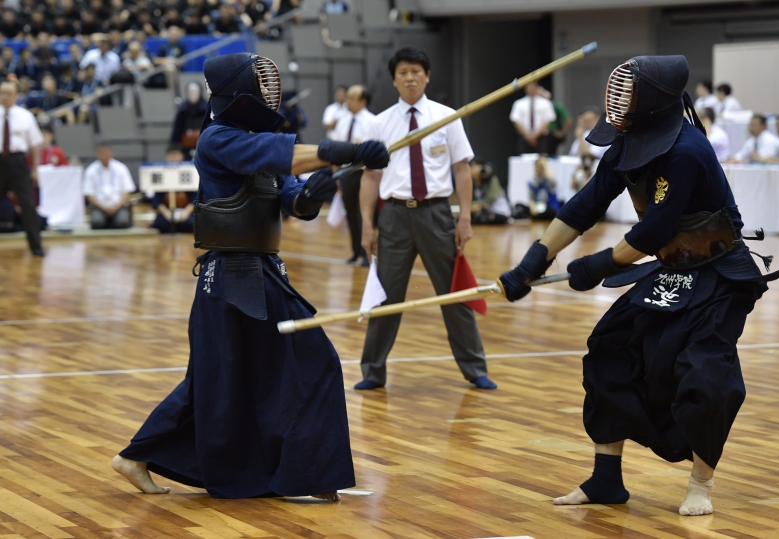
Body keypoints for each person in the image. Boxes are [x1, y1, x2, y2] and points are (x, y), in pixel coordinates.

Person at [498, 55, 779, 516]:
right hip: (672, 268)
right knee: (610, 346)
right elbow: (583, 207)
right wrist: (534, 259)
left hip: (718, 274)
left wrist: (594, 266)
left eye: (630, 93)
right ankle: (605, 480)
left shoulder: (687, 150)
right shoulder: (627, 143)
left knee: (705, 373)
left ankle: (701, 484)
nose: (620, 102)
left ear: (651, 102)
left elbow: (651, 233)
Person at [111, 52, 390, 500]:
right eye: (259, 84)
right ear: (237, 92)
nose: (267, 93)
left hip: (264, 272)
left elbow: (294, 203)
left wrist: (318, 190)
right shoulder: (217, 139)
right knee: (220, 379)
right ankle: (137, 457)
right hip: (228, 277)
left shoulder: (261, 139)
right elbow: (280, 157)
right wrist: (346, 151)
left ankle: (307, 473)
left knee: (271, 368)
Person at [357, 47, 496, 391]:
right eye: (403, 72)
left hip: (437, 214)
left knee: (454, 293)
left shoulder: (447, 117)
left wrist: (465, 218)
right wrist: (365, 224)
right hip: (394, 217)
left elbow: (462, 170)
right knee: (386, 297)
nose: (410, 77)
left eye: (416, 71)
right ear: (394, 79)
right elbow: (370, 178)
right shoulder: (379, 123)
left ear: (427, 76)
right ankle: (372, 372)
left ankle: (475, 368)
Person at [331, 84, 376, 265]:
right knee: (350, 212)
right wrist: (336, 175)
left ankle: (367, 254)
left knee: (364, 214)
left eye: (351, 98)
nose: (347, 101)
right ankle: (356, 251)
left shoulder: (373, 122)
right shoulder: (343, 120)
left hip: (365, 174)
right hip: (347, 173)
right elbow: (335, 149)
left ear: (362, 101)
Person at [0, 80, 45, 256]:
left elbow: (35, 146)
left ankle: (36, 247)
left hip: (18, 163)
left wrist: (35, 169)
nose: (4, 96)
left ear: (16, 96)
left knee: (28, 205)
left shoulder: (25, 116)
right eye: (2, 92)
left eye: (8, 93)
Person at [83, 144, 136, 229]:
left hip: (118, 205)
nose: (104, 155)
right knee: (97, 223)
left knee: (122, 223)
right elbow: (89, 194)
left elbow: (127, 190)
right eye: (101, 153)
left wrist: (117, 207)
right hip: (99, 206)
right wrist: (102, 207)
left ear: (111, 153)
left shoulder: (121, 168)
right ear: (97, 155)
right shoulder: (91, 170)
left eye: (106, 152)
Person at [150, 146, 195, 234]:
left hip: (186, 211)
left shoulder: (190, 172)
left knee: (190, 224)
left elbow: (195, 198)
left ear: (182, 156)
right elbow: (157, 200)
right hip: (168, 210)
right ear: (167, 157)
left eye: (176, 155)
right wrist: (167, 214)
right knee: (161, 224)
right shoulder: (161, 173)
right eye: (171, 155)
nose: (174, 158)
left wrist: (185, 213)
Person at [509, 81, 555, 155]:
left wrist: (536, 135)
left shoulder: (545, 103)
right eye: (529, 87)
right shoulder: (519, 103)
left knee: (542, 160)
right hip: (525, 137)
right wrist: (528, 136)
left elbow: (548, 120)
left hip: (541, 138)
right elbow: (516, 120)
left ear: (537, 87)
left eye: (533, 87)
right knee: (522, 160)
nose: (531, 89)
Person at [171, 82, 207, 160]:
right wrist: (175, 149)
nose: (193, 95)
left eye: (195, 92)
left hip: (203, 148)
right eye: (190, 92)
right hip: (185, 149)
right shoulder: (182, 112)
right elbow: (176, 132)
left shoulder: (206, 111)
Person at [470, 158, 511, 225]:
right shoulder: (473, 183)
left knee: (486, 217)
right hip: (485, 212)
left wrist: (475, 206)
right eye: (471, 167)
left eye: (476, 166)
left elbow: (487, 202)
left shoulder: (492, 180)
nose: (473, 169)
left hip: (499, 211)